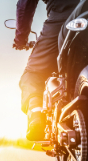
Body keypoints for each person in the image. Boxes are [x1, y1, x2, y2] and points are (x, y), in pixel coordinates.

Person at [14, 0, 80, 141]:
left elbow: (25, 4)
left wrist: (21, 38)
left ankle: (36, 117)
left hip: (64, 17)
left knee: (32, 73)